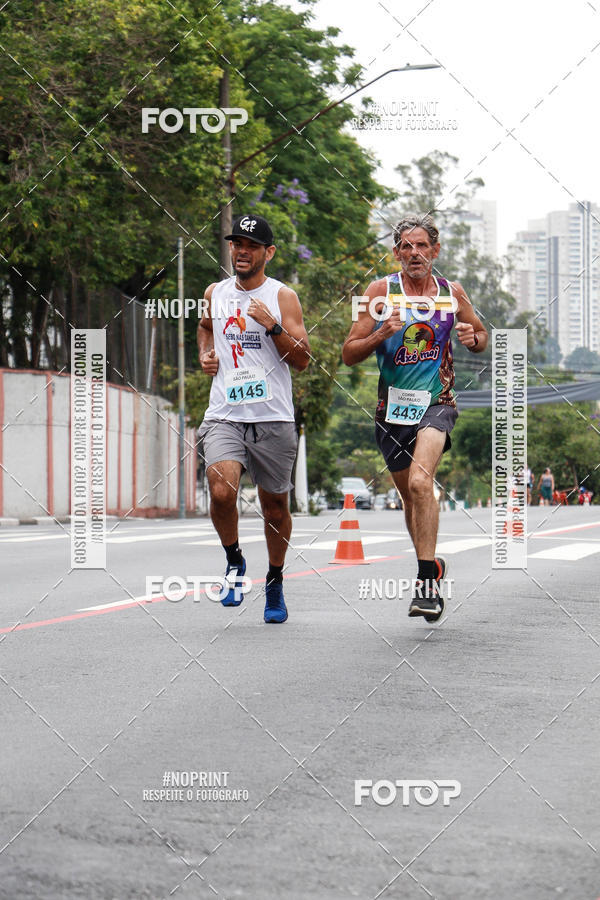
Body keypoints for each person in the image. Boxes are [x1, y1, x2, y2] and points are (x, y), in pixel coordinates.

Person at [342, 214, 488, 620]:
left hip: (437, 402)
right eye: (406, 247)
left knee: (423, 483)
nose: (414, 253)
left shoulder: (450, 292)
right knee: (411, 495)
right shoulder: (379, 292)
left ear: (435, 251)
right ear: (396, 253)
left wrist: (472, 337)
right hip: (392, 410)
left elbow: (479, 337)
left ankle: (426, 582)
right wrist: (378, 335)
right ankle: (432, 564)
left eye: (422, 246)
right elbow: (349, 353)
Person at [197, 214, 310, 623]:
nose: (241, 251)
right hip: (225, 412)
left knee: (275, 507)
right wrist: (205, 354)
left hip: (273, 417)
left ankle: (275, 581)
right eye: (236, 244)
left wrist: (273, 326)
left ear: (268, 252)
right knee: (222, 490)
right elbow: (205, 326)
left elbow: (302, 359)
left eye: (251, 245)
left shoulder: (283, 297)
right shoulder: (215, 292)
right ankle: (234, 561)